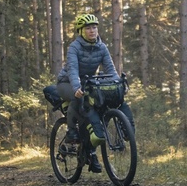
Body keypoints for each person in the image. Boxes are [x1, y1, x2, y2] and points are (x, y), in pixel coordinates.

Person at [56, 14, 135, 173]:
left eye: (94, 27)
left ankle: (90, 151)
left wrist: (115, 84)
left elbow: (111, 70)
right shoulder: (74, 47)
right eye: (88, 28)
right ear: (81, 31)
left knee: (99, 109)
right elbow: (72, 69)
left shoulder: (102, 47)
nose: (92, 31)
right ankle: (71, 133)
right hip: (67, 82)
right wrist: (77, 86)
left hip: (89, 81)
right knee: (77, 99)